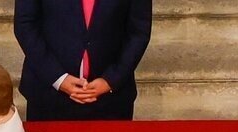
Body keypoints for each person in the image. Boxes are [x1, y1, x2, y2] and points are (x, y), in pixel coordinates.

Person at [14, 0, 152, 120]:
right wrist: (59, 79)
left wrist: (111, 80)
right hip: (48, 94)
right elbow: (25, 25)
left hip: (111, 99)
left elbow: (139, 32)